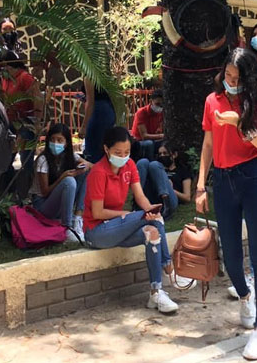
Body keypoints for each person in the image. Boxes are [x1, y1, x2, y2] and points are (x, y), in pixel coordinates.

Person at [195, 47, 257, 360]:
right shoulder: (212, 101)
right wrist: (201, 185)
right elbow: (208, 144)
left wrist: (239, 123)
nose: (230, 82)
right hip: (223, 181)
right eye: (227, 76)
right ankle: (244, 295)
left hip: (253, 179)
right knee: (230, 256)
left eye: (236, 78)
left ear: (248, 78)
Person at [82, 126, 177, 314]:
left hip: (119, 229)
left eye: (126, 152)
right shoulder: (98, 172)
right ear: (106, 149)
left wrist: (149, 209)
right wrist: (126, 215)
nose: (123, 156)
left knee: (153, 230)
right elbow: (98, 213)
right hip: (97, 232)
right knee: (148, 218)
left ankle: (156, 291)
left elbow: (140, 198)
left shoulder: (130, 166)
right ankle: (169, 267)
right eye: (118, 152)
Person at [31, 123, 91, 241]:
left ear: (66, 143)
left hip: (59, 203)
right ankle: (67, 227)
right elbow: (44, 192)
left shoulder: (68, 156)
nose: (55, 143)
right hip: (43, 205)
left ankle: (78, 217)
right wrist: (62, 178)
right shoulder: (43, 160)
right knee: (69, 181)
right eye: (52, 139)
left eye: (59, 140)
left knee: (84, 172)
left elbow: (89, 165)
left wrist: (83, 167)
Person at [0, 49, 42, 195]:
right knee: (7, 158)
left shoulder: (25, 78)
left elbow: (38, 99)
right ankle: (10, 192)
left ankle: (28, 192)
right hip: (10, 124)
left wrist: (37, 121)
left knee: (25, 159)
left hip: (26, 123)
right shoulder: (5, 80)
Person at [135, 141, 191, 220]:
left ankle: (166, 206)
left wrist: (171, 188)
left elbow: (187, 197)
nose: (162, 156)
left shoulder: (182, 171)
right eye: (160, 154)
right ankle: (137, 201)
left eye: (165, 153)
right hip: (152, 199)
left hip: (170, 199)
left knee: (154, 165)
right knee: (143, 162)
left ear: (174, 155)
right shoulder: (154, 168)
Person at [80, 78, 115, 163]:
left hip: (98, 112)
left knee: (93, 149)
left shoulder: (89, 76)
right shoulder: (105, 74)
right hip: (109, 110)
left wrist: (84, 126)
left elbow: (90, 102)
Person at [131, 89, 165, 160]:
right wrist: (161, 136)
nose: (160, 107)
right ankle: (150, 163)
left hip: (154, 140)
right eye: (157, 104)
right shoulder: (141, 113)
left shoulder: (161, 113)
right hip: (139, 142)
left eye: (162, 105)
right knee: (149, 143)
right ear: (150, 101)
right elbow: (144, 136)